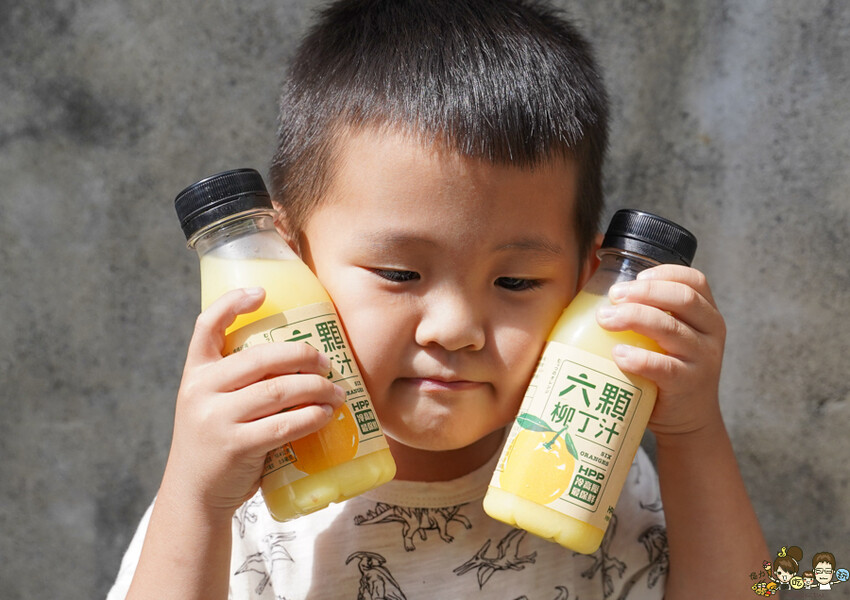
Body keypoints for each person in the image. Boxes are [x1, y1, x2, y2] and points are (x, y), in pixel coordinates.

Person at [108, 1, 768, 598]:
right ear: (292, 259)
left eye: (516, 282)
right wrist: (196, 499)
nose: (455, 329)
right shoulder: (234, 505)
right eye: (399, 273)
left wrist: (692, 434)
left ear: (585, 284)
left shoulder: (588, 470)